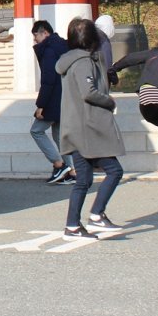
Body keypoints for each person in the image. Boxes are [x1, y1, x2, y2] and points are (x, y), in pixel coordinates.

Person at [57, 17, 126, 239]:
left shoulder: (69, 61)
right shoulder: (84, 62)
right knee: (114, 171)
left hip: (75, 127)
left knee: (84, 180)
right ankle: (96, 215)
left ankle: (73, 225)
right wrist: (109, 101)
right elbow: (89, 92)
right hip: (88, 129)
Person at [111, 45, 158, 177]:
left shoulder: (153, 54)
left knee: (152, 117)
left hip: (146, 94)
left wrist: (114, 68)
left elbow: (131, 58)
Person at [31, 20, 74, 184]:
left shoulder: (49, 50)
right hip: (66, 97)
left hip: (53, 98)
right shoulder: (64, 46)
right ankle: (73, 172)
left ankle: (59, 164)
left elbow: (48, 80)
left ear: (45, 33)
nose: (35, 40)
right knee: (59, 135)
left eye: (36, 35)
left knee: (36, 131)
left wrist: (40, 105)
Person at [94, 14, 116, 82]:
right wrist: (113, 78)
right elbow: (107, 62)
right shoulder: (103, 40)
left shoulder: (90, 35)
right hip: (100, 78)